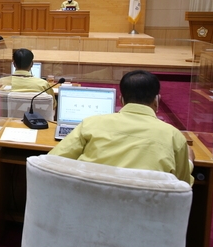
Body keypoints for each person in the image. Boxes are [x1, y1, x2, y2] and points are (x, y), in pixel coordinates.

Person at [49, 70, 194, 185]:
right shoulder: (174, 136)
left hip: (86, 212)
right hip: (145, 217)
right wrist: (189, 162)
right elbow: (182, 185)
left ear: (121, 100)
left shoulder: (91, 123)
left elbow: (51, 162)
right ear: (157, 100)